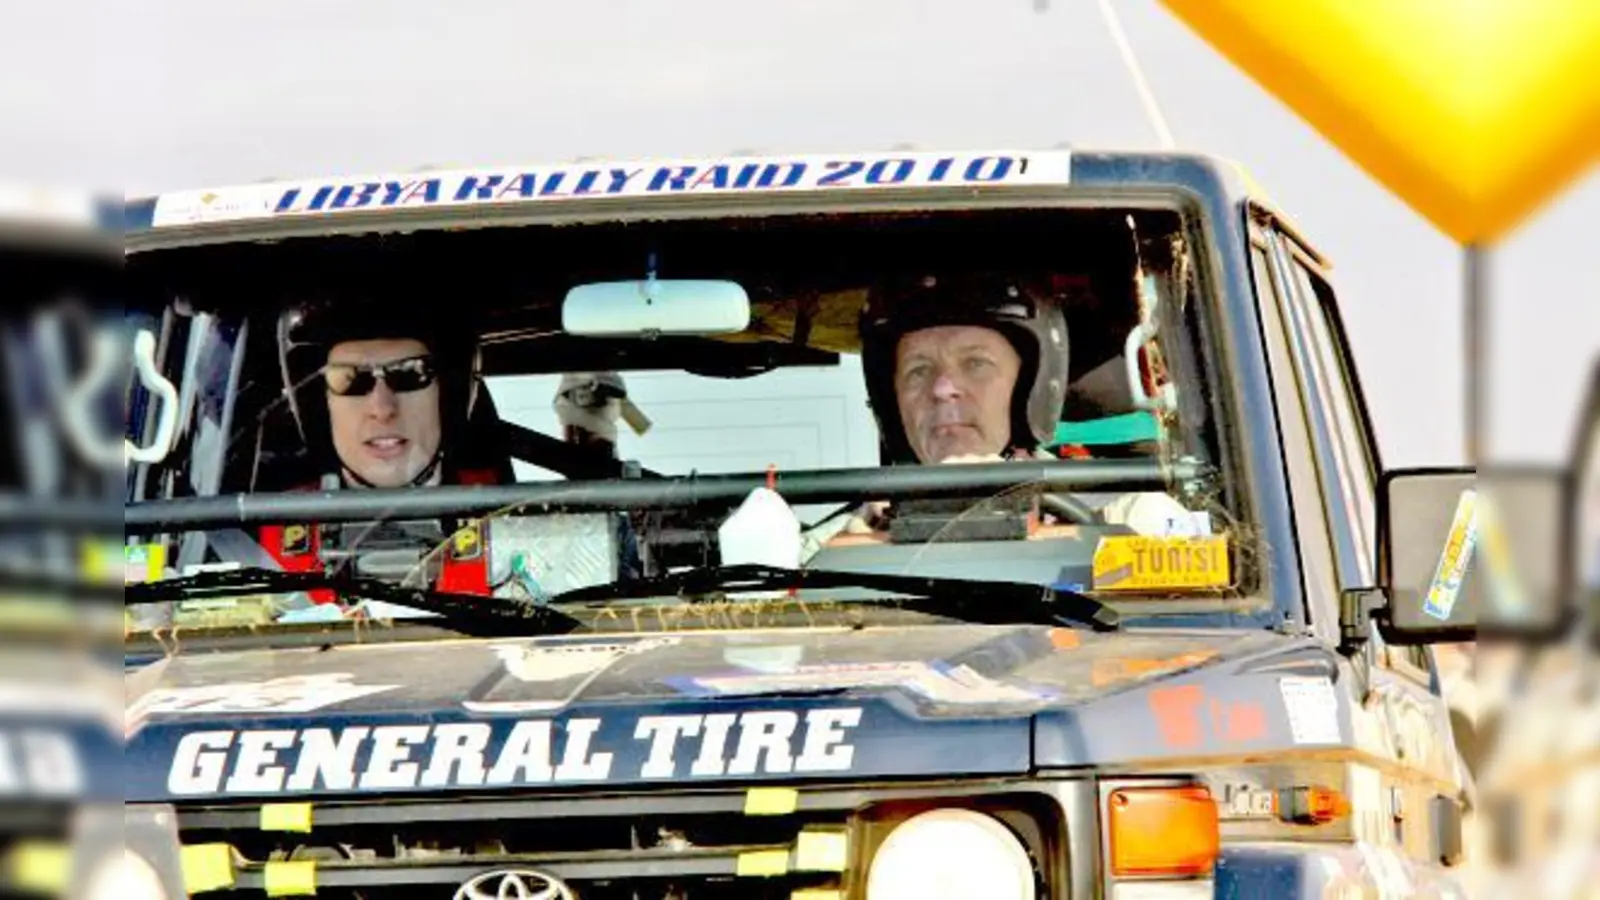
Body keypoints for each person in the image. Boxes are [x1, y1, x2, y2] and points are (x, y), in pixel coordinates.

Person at [849, 272, 1198, 536]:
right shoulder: (848, 539)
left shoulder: (1133, 522)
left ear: (1028, 389)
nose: (942, 388)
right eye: (919, 370)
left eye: (975, 364)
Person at [259, 302, 512, 602]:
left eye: (410, 374)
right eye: (349, 379)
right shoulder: (258, 544)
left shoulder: (517, 524)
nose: (382, 409)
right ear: (320, 404)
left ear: (446, 395)